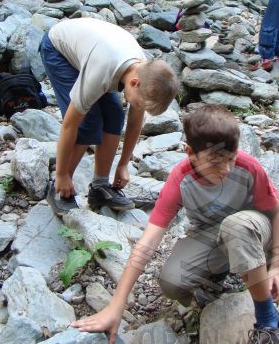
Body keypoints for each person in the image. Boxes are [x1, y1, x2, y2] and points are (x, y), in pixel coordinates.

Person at [71, 104, 279, 344]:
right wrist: (116, 305)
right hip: (210, 233)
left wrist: (275, 267)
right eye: (216, 162)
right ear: (190, 153)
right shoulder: (180, 179)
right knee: (172, 281)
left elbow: (278, 211)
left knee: (236, 227)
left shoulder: (248, 167)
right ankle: (216, 277)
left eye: (231, 158)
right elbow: (148, 242)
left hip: (251, 228)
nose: (226, 169)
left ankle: (271, 323)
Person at [40, 18, 178, 213]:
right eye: (139, 104)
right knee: (89, 123)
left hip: (97, 51)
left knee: (115, 115)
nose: (138, 107)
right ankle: (58, 187)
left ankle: (100, 186)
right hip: (58, 49)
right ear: (134, 83)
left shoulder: (144, 76)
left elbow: (134, 123)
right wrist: (61, 174)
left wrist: (123, 165)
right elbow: (70, 125)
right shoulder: (102, 72)